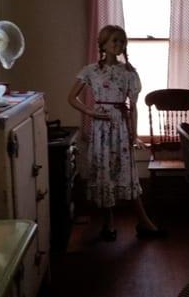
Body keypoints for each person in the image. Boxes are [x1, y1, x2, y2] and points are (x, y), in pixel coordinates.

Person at [68, 25, 166, 242]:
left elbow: (134, 106)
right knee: (104, 173)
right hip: (101, 128)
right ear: (103, 44)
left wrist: (134, 135)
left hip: (121, 127)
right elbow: (71, 98)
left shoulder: (129, 72)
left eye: (122, 41)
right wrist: (90, 111)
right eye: (114, 41)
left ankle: (144, 222)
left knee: (127, 173)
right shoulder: (90, 71)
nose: (119, 45)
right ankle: (109, 223)